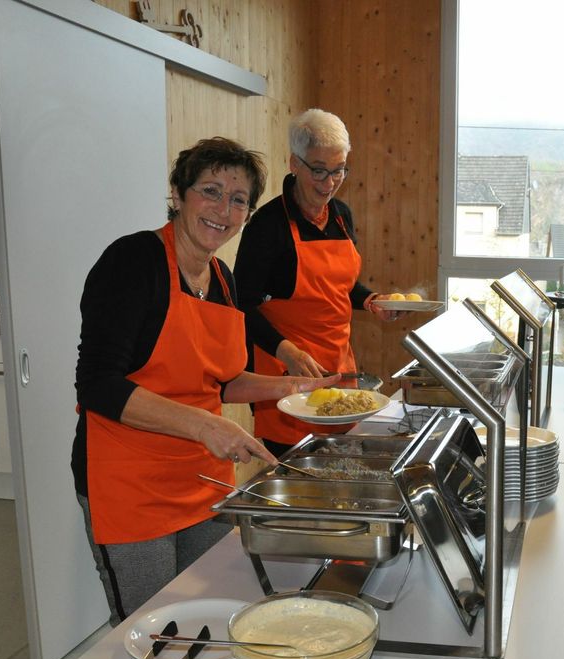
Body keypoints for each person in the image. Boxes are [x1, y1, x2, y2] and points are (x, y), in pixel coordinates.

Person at [73, 137, 338, 625]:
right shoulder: (134, 262)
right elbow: (98, 385)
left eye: (239, 200)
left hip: (200, 476)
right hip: (130, 482)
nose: (224, 210)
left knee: (211, 613)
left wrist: (290, 389)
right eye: (210, 191)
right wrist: (205, 426)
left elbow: (220, 382)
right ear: (178, 193)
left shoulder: (221, 277)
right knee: (153, 628)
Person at [234, 109, 399, 456]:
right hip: (284, 378)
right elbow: (241, 304)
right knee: (300, 479)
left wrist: (371, 300)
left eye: (338, 171)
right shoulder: (267, 226)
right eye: (319, 171)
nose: (329, 182)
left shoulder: (341, 215)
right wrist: (286, 350)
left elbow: (341, 285)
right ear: (295, 164)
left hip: (338, 371)